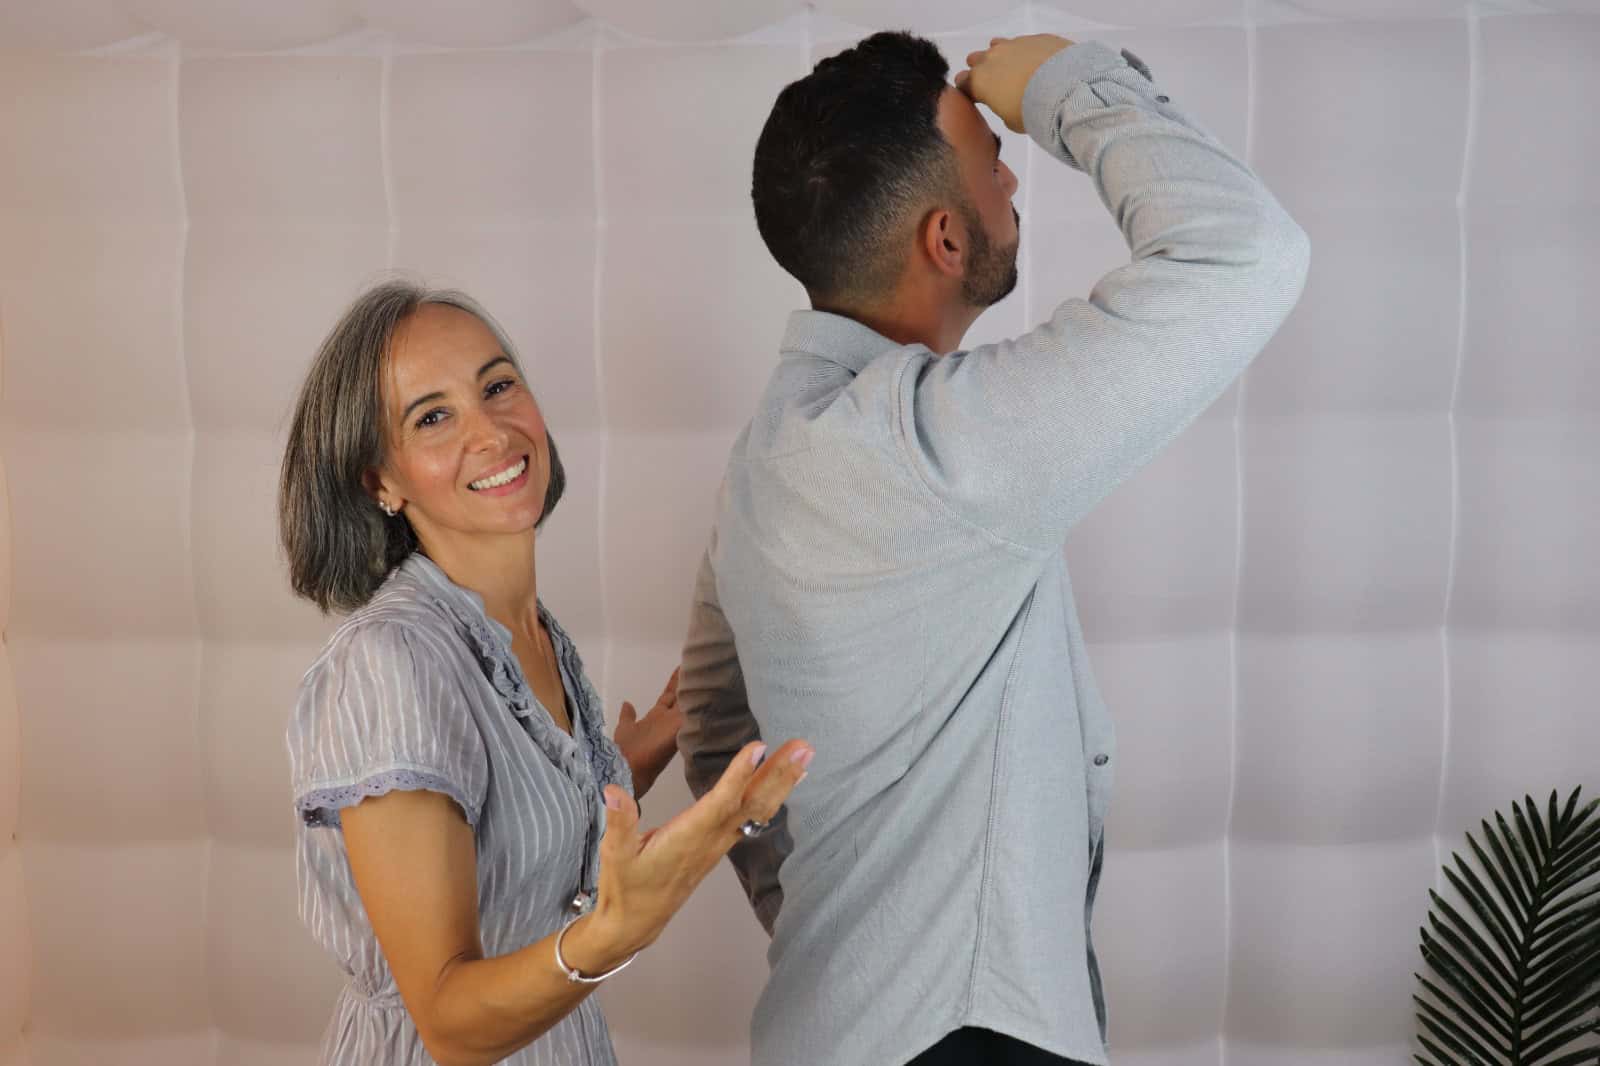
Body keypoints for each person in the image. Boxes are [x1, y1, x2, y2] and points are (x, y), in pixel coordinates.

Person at [678, 32, 1309, 1066]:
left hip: (824, 1025)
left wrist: (837, 922)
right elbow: (1244, 251)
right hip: (964, 1039)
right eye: (989, 158)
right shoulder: (934, 447)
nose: (1012, 172)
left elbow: (714, 732)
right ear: (944, 238)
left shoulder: (762, 460)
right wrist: (1063, 83)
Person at [279, 281, 813, 1066]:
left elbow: (500, 836)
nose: (491, 431)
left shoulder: (522, 632)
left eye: (497, 386)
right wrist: (616, 930)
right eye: (433, 416)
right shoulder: (392, 665)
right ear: (379, 482)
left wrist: (629, 760)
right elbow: (451, 1026)